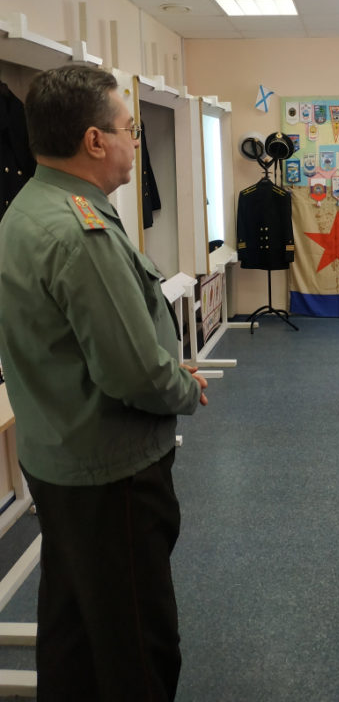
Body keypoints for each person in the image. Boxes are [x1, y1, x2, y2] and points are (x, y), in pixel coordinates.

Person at [0, 65, 208, 701]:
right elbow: (133, 372)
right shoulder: (79, 231)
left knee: (75, 626)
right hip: (110, 472)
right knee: (136, 640)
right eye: (129, 128)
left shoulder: (28, 209)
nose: (134, 141)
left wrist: (158, 362)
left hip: (57, 456)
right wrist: (182, 388)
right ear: (94, 141)